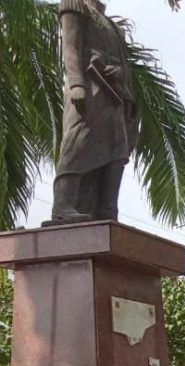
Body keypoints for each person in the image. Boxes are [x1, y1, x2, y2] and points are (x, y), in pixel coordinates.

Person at [47, 1, 139, 225]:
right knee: (79, 143)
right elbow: (71, 46)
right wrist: (76, 83)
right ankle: (63, 205)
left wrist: (120, 75)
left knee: (117, 152)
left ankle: (107, 209)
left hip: (115, 94)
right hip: (88, 88)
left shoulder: (113, 26)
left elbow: (125, 64)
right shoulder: (74, 4)